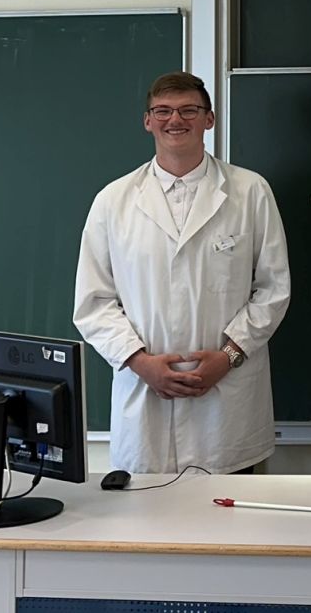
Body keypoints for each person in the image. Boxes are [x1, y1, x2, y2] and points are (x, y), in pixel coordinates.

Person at [73, 71, 291, 474]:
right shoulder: (113, 201)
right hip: (146, 406)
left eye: (189, 110)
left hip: (226, 407)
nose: (175, 120)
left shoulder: (250, 192)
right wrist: (141, 363)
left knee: (228, 510)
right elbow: (94, 303)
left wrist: (228, 356)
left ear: (209, 119)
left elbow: (273, 289)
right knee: (146, 512)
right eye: (163, 111)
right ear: (148, 121)